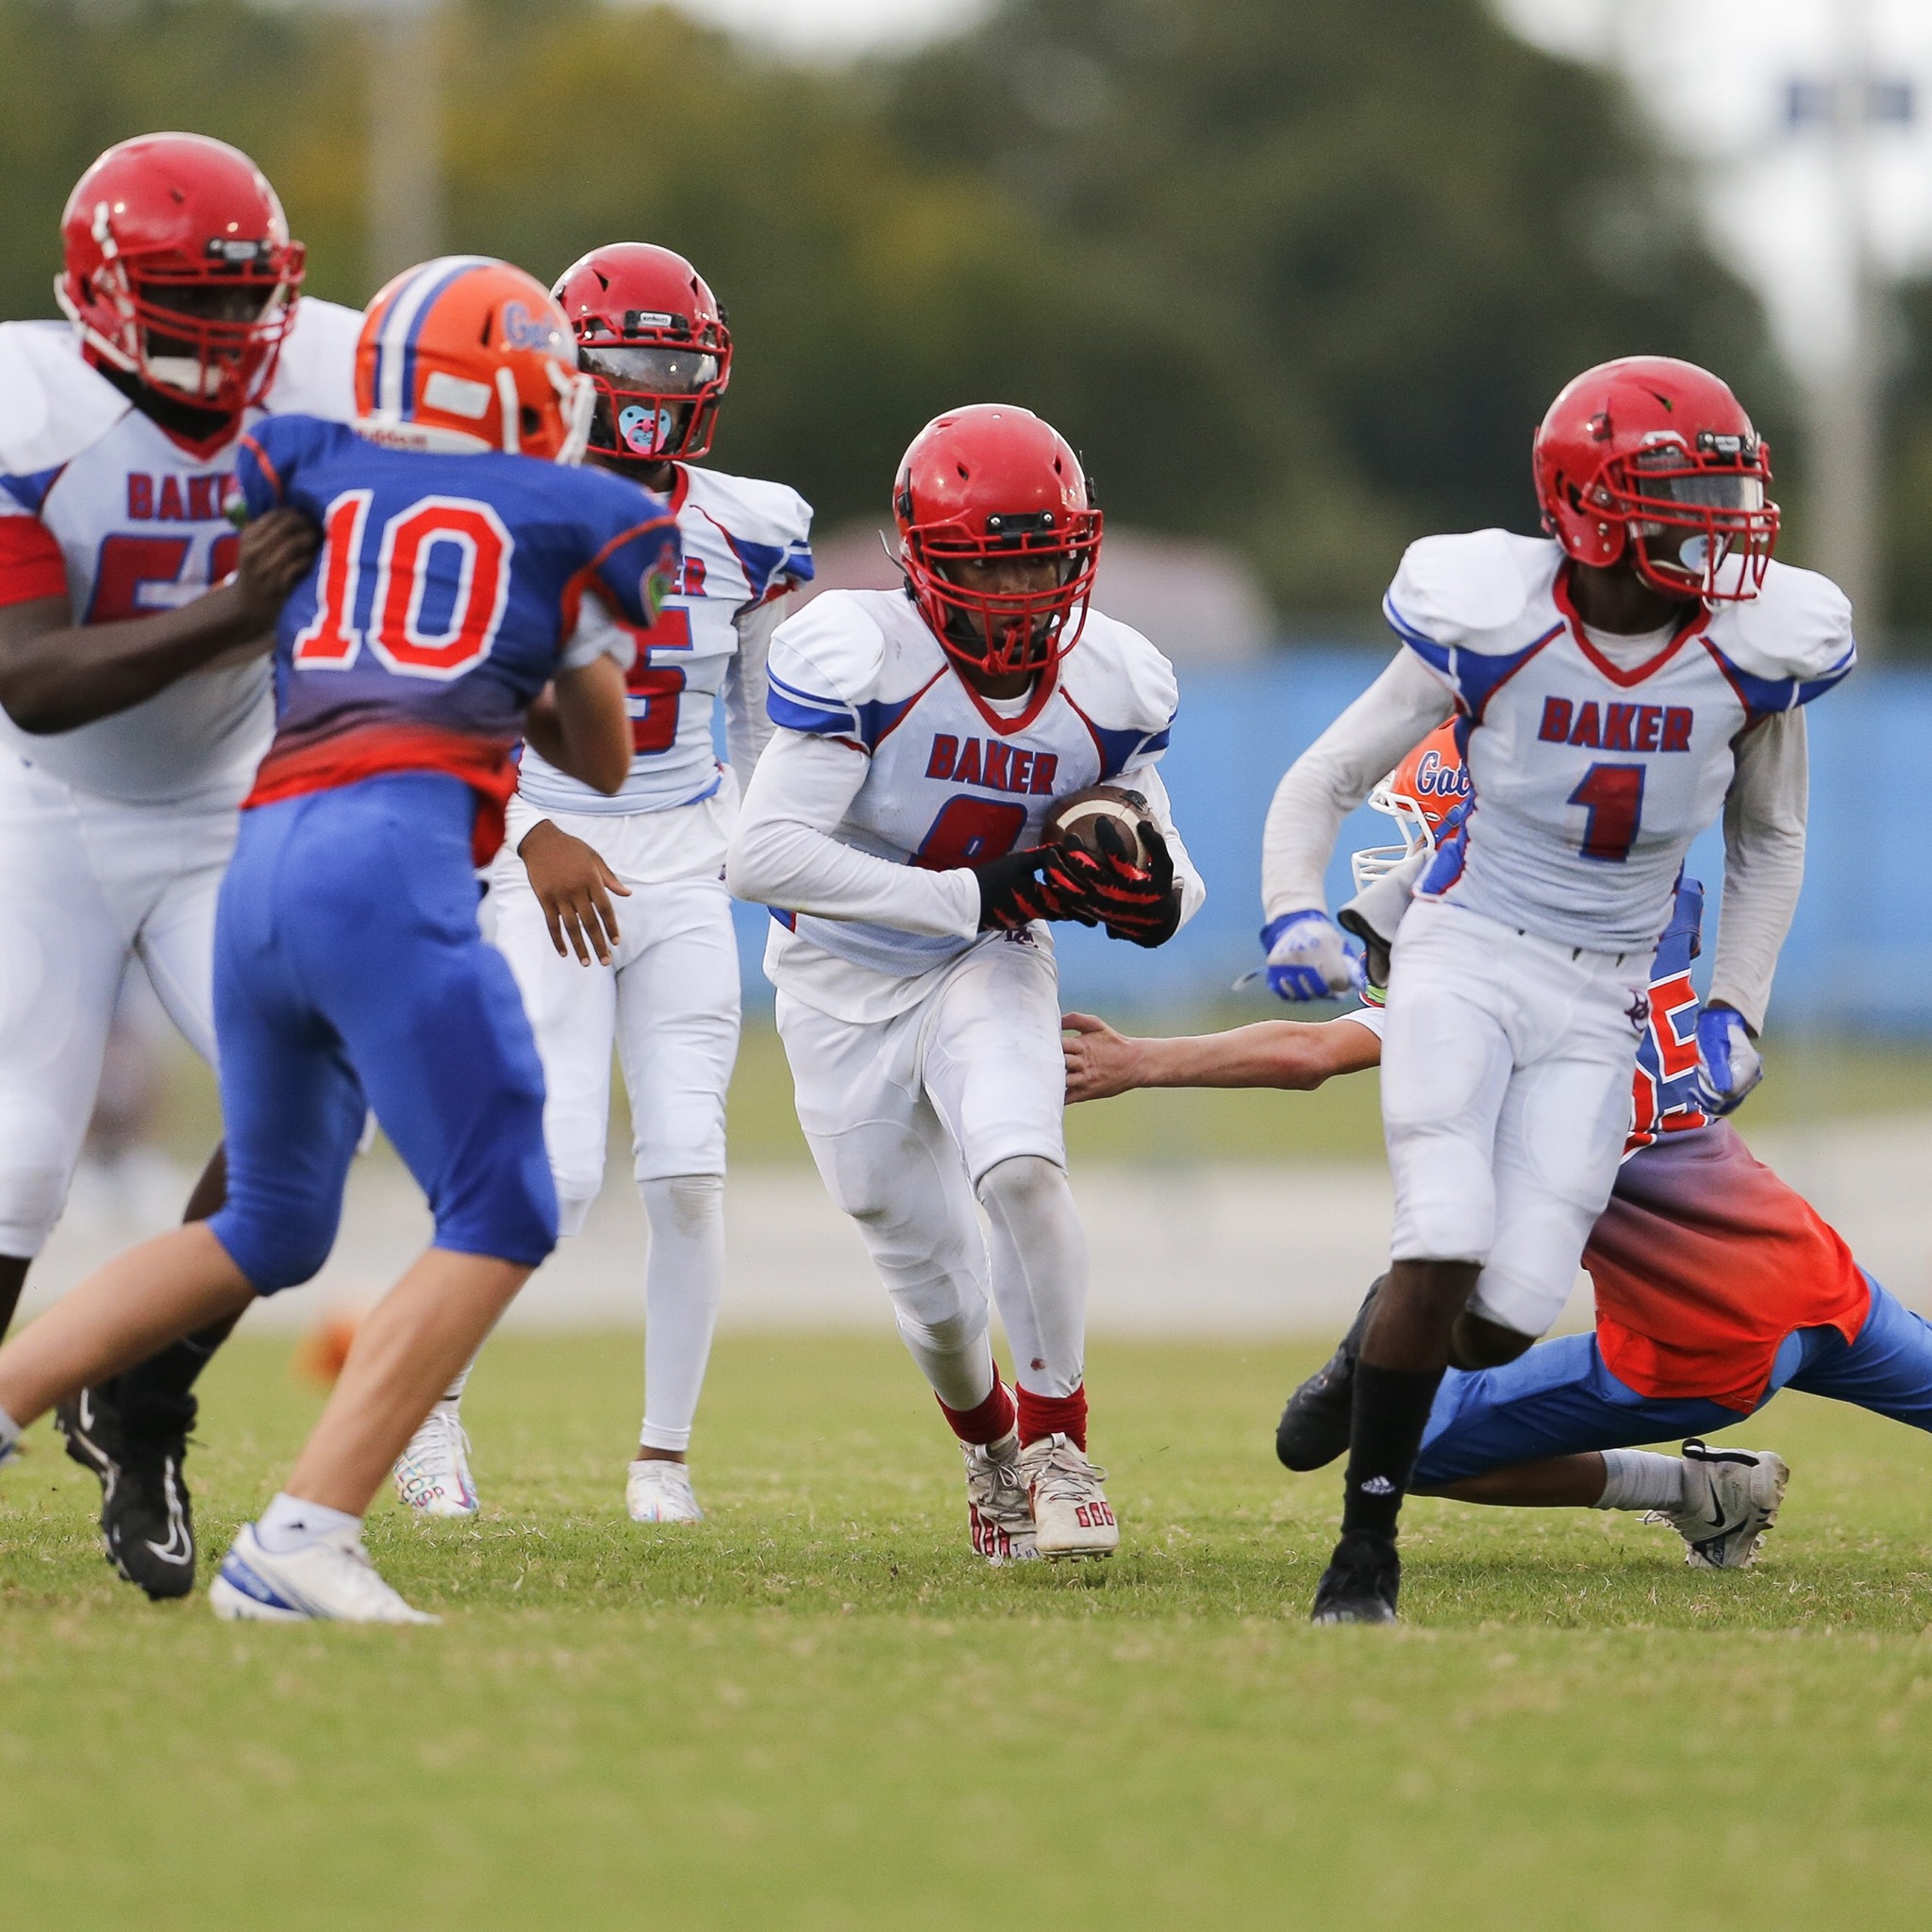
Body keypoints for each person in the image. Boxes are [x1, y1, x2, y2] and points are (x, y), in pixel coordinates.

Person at [0, 257, 679, 1624]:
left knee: (272, 1219)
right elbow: (600, 757)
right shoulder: (570, 511)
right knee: (501, 1207)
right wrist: (566, 644)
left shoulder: (311, 469)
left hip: (260, 865)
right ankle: (303, 1538)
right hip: (388, 866)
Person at [1256, 357, 1854, 1623]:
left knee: (1511, 1313)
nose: (1721, 523)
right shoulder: (1496, 619)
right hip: (1468, 954)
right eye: (1686, 493)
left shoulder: (1753, 654)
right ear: (1589, 505)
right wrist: (1296, 910)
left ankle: (1374, 1340)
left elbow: (1771, 841)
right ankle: (1365, 1558)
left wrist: (1734, 1002)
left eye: (1727, 490)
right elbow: (1321, 775)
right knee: (1445, 1231)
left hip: (1606, 998)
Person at [1065, 727, 1930, 1575]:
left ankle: (1696, 1491)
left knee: (1411, 1442)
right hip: (1817, 1277)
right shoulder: (1632, 916)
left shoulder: (1507, 991)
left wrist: (1139, 1060)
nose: (1406, 857)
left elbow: (1313, 1052)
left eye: (1423, 834)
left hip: (1703, 1338)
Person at [727, 403, 1202, 1561]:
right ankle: (988, 1441)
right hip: (839, 976)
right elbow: (761, 856)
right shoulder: (860, 649)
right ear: (919, 562)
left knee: (1023, 1169)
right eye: (991, 567)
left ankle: (1056, 1443)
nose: (1022, 593)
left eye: (1043, 560)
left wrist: (1153, 896)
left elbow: (1169, 863)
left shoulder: (1114, 679)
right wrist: (979, 888)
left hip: (988, 962)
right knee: (929, 1283)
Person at [392, 242, 813, 1525]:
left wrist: (765, 851)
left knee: (688, 1170)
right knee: (556, 1168)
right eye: (628, 359)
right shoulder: (505, 499)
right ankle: (427, 1417)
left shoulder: (752, 521)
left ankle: (663, 1462)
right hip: (549, 854)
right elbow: (444, 702)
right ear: (573, 365)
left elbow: (765, 721)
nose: (651, 385)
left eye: (673, 362)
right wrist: (526, 833)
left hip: (681, 858)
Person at [0, 132, 360, 1598]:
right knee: (19, 1147)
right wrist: (240, 607)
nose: (223, 335)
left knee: (322, 1103)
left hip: (229, 797)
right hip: (43, 801)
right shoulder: (31, 405)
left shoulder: (337, 376)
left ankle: (140, 1402)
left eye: (243, 299)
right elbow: (31, 681)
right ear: (98, 295)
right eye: (184, 301)